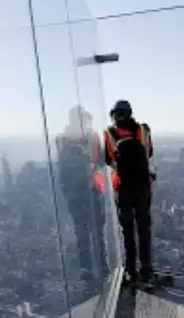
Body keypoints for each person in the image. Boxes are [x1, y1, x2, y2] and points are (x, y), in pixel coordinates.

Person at [103, 100, 156, 288]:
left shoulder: (108, 134)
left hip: (122, 187)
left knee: (127, 231)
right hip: (142, 185)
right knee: (144, 229)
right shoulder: (143, 130)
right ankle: (147, 271)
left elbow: (108, 159)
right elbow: (149, 153)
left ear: (114, 114)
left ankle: (130, 272)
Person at [56, 105, 109, 285]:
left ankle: (87, 271)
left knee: (82, 234)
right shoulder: (90, 137)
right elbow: (102, 161)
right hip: (91, 190)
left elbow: (61, 167)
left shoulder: (63, 140)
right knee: (96, 233)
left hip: (75, 195)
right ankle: (102, 268)